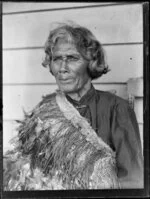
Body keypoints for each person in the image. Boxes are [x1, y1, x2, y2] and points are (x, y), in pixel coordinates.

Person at [3, 22, 143, 190]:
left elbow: (133, 180)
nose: (62, 69)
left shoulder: (116, 109)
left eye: (72, 58)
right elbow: (24, 174)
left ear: (91, 63)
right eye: (56, 59)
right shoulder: (45, 110)